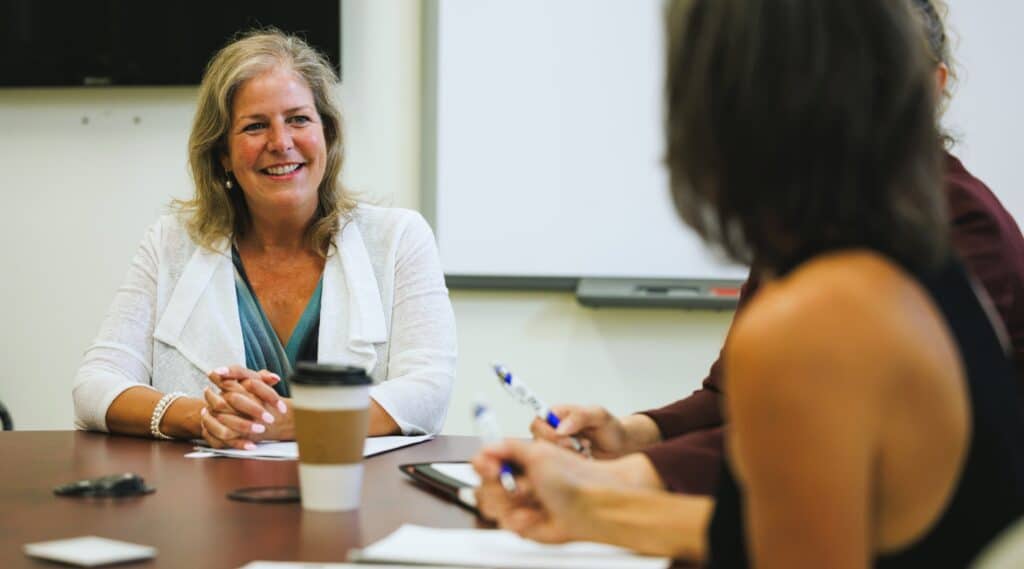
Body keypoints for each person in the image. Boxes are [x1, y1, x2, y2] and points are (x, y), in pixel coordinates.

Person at [473, 0, 1024, 565]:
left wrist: (608, 494)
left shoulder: (821, 311)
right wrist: (592, 500)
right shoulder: (897, 258)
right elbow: (804, 529)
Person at [73, 30, 456, 449]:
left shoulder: (398, 238)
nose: (281, 143)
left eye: (298, 119)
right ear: (222, 153)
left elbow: (428, 391)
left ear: (327, 134)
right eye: (256, 126)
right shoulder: (170, 244)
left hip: (355, 501)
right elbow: (94, 387)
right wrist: (202, 416)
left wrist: (295, 422)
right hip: (202, 505)